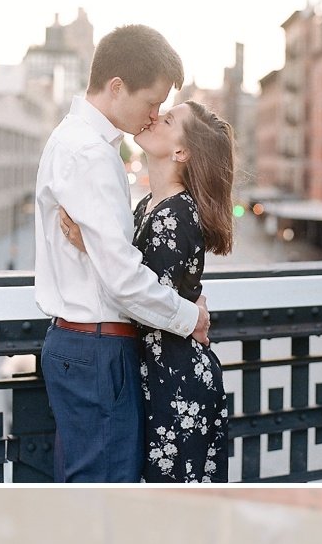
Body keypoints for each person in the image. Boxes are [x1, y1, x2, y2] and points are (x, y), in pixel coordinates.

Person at [33, 24, 212, 482]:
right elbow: (123, 278)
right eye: (151, 101)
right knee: (105, 494)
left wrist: (90, 246)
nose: (153, 114)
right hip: (97, 347)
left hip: (83, 345)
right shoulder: (91, 154)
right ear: (117, 88)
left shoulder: (72, 141)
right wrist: (190, 317)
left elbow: (110, 260)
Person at [60, 100, 235, 482]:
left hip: (177, 384)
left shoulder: (178, 213)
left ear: (181, 151)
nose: (155, 117)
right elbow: (137, 280)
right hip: (157, 374)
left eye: (168, 119)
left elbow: (138, 295)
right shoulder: (147, 206)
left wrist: (90, 246)